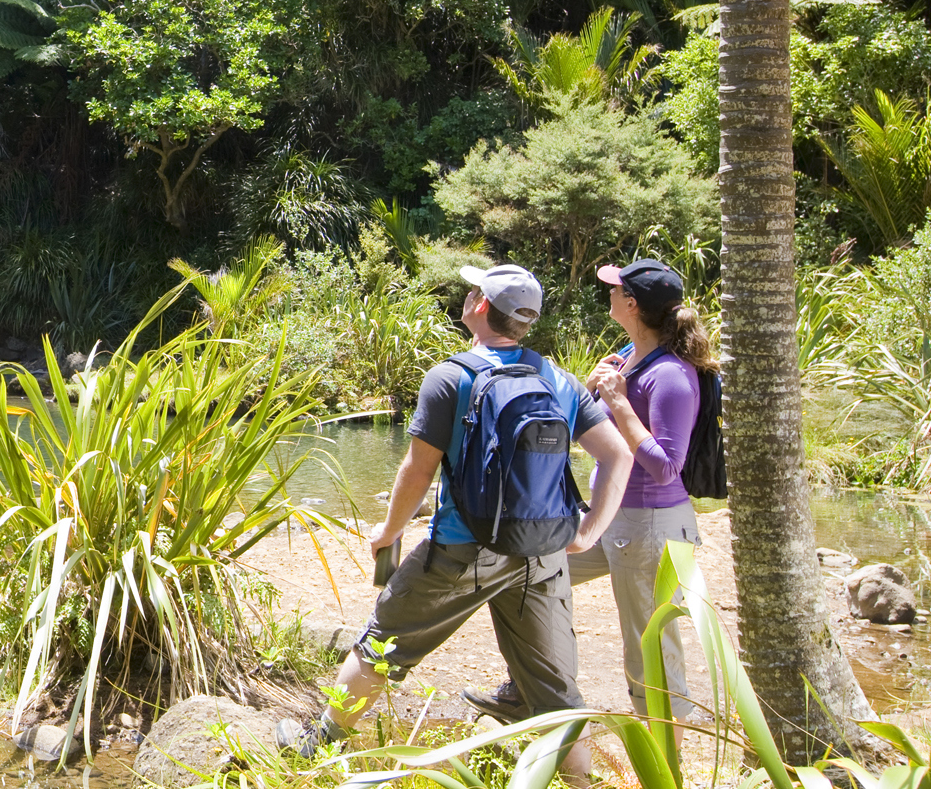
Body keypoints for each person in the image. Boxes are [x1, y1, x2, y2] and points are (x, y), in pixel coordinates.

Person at [288, 263, 633, 760]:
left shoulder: (451, 378)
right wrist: (586, 533)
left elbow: (417, 471)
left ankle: (314, 749)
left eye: (474, 291)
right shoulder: (558, 378)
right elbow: (617, 454)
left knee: (380, 646)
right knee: (556, 693)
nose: (469, 296)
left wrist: (389, 531)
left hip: (461, 548)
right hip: (542, 554)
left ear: (481, 307)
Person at [465, 257, 710, 727]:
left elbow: (666, 467)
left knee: (650, 651)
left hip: (652, 530)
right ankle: (529, 688)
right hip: (609, 519)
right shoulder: (631, 354)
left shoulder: (673, 377)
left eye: (617, 289)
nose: (610, 293)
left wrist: (617, 402)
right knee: (528, 574)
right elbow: (595, 432)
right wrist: (596, 392)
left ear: (632, 304)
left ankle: (668, 775)